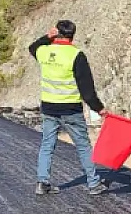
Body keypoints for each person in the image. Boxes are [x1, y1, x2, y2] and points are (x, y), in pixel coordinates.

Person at [28, 19, 108, 196]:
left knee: (47, 145)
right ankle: (94, 183)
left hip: (49, 108)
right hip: (71, 109)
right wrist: (99, 109)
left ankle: (42, 182)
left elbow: (32, 47)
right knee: (83, 146)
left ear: (56, 33)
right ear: (73, 35)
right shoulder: (76, 55)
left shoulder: (45, 52)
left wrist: (47, 37)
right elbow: (87, 90)